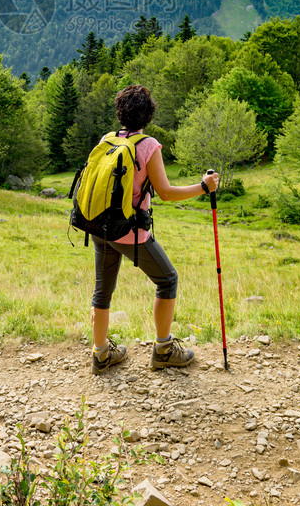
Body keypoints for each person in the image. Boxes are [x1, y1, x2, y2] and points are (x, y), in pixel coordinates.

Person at [90, 83, 219, 375]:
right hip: (128, 232)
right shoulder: (148, 145)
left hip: (100, 226)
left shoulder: (107, 139)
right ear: (148, 116)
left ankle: (101, 355)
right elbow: (166, 192)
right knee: (167, 280)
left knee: (102, 291)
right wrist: (203, 186)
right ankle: (163, 349)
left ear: (120, 112)